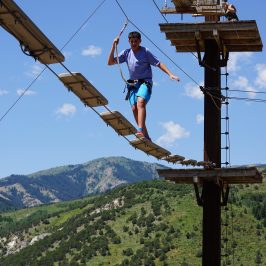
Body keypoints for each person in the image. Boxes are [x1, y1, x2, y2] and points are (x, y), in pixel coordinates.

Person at [107, 31, 180, 141]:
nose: (133, 43)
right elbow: (110, 62)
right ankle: (146, 135)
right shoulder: (126, 53)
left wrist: (170, 74)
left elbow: (158, 63)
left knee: (140, 102)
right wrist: (113, 45)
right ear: (128, 42)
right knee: (134, 108)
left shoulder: (145, 52)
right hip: (132, 84)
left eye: (135, 41)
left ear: (140, 41)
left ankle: (140, 130)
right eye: (131, 41)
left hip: (145, 82)